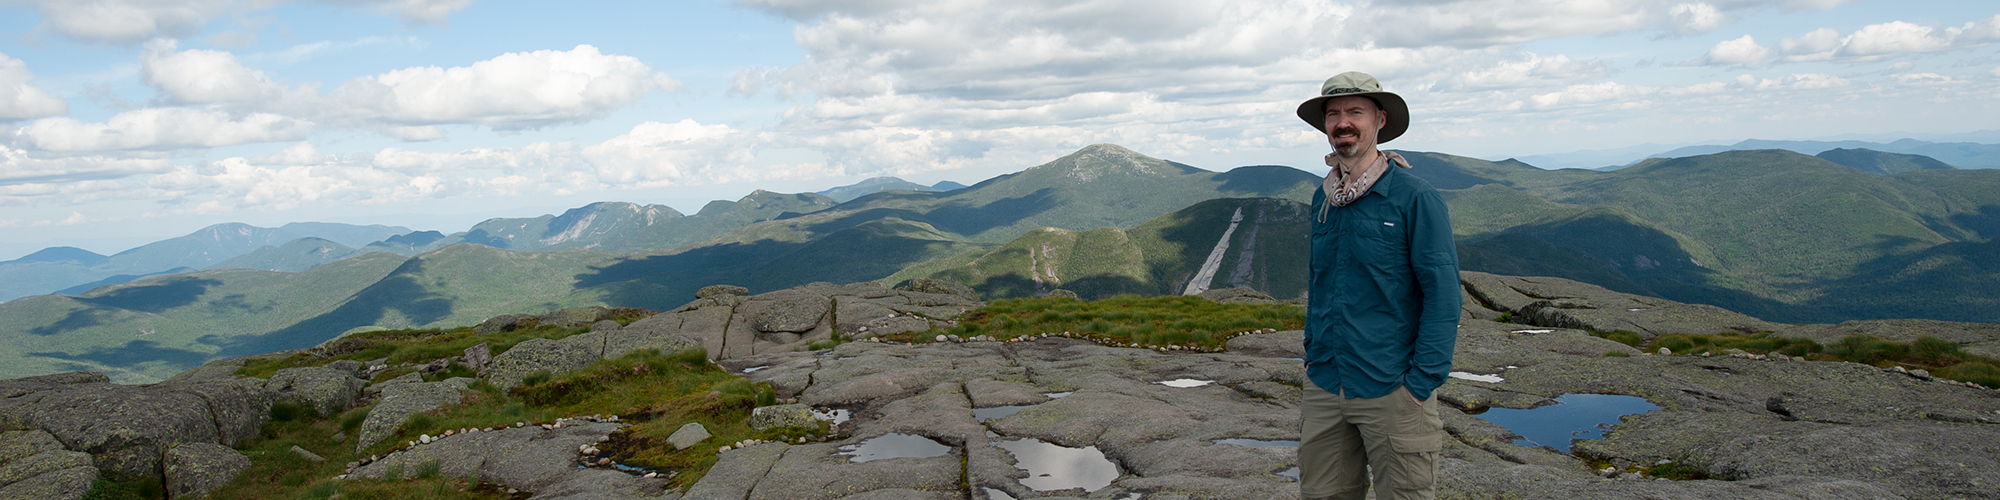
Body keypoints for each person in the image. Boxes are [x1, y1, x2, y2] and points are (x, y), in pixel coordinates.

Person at [1294, 71, 1461, 500]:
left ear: (1380, 120)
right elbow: (1320, 282)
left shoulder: (1414, 197)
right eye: (1333, 114)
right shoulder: (1324, 198)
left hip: (1392, 387)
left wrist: (1420, 384)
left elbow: (1443, 296)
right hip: (1327, 383)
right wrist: (1313, 357)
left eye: (1355, 112)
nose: (1343, 122)